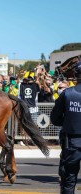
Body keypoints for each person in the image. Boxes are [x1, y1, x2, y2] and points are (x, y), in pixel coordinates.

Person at [50, 61, 81, 194]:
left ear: (75, 75)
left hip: (72, 142)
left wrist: (68, 120)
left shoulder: (67, 93)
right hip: (71, 141)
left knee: (69, 180)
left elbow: (55, 119)